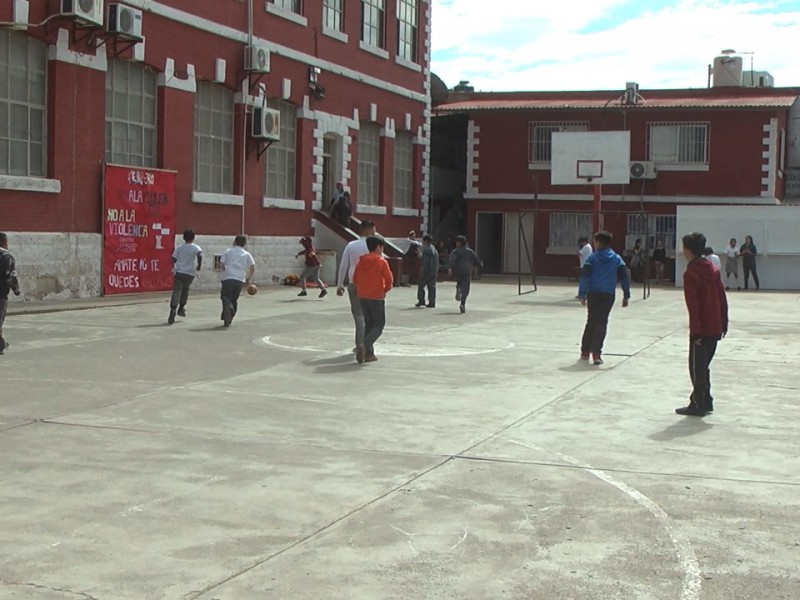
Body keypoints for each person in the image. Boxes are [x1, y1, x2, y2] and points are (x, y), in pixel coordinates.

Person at [678, 232, 728, 417]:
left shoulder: (691, 273)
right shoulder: (712, 269)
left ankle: (699, 402)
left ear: (688, 250)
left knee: (696, 368)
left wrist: (696, 333)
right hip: (715, 326)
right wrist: (724, 321)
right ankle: (705, 401)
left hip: (703, 328)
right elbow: (722, 298)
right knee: (703, 366)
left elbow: (694, 306)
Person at [578, 231, 631, 365]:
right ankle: (596, 353)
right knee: (602, 322)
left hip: (593, 293)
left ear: (598, 242)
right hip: (608, 294)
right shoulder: (616, 258)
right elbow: (625, 277)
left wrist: (582, 294)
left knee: (591, 321)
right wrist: (626, 295)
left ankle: (585, 351)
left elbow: (584, 277)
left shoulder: (591, 258)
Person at [352, 236, 394, 364]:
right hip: (376, 295)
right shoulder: (381, 261)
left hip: (363, 295)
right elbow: (389, 278)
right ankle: (365, 345)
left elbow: (355, 279)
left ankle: (369, 354)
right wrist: (385, 289)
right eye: (382, 247)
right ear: (378, 247)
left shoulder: (361, 261)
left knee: (369, 324)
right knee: (379, 325)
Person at [337, 221, 376, 351]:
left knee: (358, 316)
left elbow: (343, 266)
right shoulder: (374, 246)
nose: (374, 234)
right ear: (367, 231)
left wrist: (339, 284)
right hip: (370, 284)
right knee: (369, 315)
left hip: (354, 282)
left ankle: (359, 343)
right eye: (373, 231)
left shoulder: (351, 245)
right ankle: (367, 343)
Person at [219, 235, 255, 327]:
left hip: (228, 277)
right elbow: (252, 267)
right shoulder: (247, 254)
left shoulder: (228, 251)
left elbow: (221, 264)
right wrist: (248, 278)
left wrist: (224, 271)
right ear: (244, 244)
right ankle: (231, 313)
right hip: (240, 279)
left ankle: (227, 309)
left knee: (225, 296)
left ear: (234, 242)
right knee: (234, 298)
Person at [168, 229, 202, 324]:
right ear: (193, 238)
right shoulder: (196, 248)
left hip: (179, 272)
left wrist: (177, 264)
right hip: (189, 273)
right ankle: (182, 307)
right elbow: (200, 255)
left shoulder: (179, 247)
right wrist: (199, 266)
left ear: (183, 238)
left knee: (177, 290)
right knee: (185, 290)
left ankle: (173, 308)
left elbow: (173, 258)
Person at [448, 235, 482, 314]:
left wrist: (450, 268)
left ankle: (458, 288)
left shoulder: (455, 251)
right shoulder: (469, 251)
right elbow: (477, 259)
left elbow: (452, 260)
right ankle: (462, 303)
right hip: (467, 271)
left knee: (459, 282)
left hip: (458, 270)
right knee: (466, 288)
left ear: (459, 243)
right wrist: (478, 266)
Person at [0, 233, 21, 356]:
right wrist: (16, 289)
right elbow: (10, 276)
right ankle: (1, 345)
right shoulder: (6, 257)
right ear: (4, 242)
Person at [415, 234, 439, 308]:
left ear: (425, 241)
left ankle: (421, 300)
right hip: (434, 270)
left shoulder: (426, 250)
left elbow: (426, 262)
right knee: (432, 286)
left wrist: (423, 271)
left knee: (421, 285)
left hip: (427, 271)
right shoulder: (433, 249)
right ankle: (432, 301)